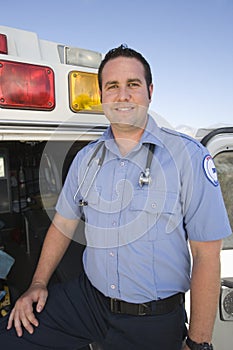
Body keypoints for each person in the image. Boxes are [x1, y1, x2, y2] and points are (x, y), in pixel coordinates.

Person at [0, 45, 232, 350]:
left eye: (132, 85)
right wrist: (39, 283)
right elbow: (63, 225)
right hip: (88, 301)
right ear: (101, 97)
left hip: (152, 320)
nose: (122, 95)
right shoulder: (86, 159)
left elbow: (206, 255)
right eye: (112, 86)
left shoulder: (188, 157)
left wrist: (198, 343)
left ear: (150, 91)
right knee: (11, 338)